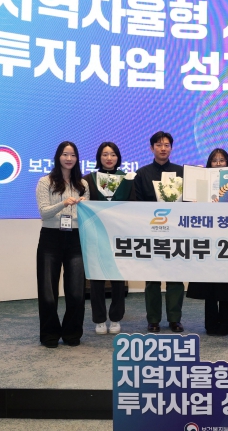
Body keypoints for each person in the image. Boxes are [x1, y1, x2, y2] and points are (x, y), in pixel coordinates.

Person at [35, 141, 89, 348]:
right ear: (58, 157)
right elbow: (44, 212)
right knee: (48, 291)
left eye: (73, 155)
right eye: (65, 154)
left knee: (76, 291)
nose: (69, 158)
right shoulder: (45, 182)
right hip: (51, 238)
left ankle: (72, 333)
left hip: (76, 238)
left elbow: (86, 215)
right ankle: (49, 334)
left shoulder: (82, 184)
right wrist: (63, 203)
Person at [186, 149, 228, 335]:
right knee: (209, 283)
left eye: (222, 160)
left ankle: (226, 322)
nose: (218, 163)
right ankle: (211, 322)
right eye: (215, 160)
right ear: (209, 163)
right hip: (208, 236)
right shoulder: (201, 181)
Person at [134, 131, 185, 333]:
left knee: (176, 278)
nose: (163, 148)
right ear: (151, 148)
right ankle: (153, 319)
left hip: (177, 233)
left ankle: (175, 319)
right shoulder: (142, 173)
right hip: (151, 232)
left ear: (171, 148)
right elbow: (136, 204)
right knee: (152, 280)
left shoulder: (182, 172)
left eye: (166, 145)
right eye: (158, 145)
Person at [84, 142, 135, 335]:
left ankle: (115, 318)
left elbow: (134, 205)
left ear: (118, 157)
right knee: (97, 277)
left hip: (119, 234)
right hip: (95, 234)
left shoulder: (128, 179)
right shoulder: (88, 179)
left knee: (118, 277)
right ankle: (99, 319)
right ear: (99, 157)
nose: (109, 158)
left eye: (113, 154)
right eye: (105, 154)